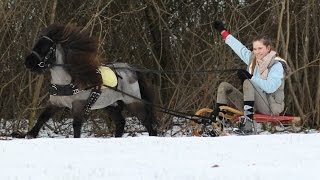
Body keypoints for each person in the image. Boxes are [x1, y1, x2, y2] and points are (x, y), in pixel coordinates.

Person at [212, 20, 290, 134]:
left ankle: (247, 124)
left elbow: (270, 87)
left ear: (268, 48)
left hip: (269, 107)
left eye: (260, 48)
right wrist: (223, 32)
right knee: (224, 86)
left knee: (248, 82)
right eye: (255, 49)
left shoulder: (276, 65)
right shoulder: (253, 60)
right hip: (251, 103)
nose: (257, 52)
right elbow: (239, 48)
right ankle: (218, 124)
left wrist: (250, 77)